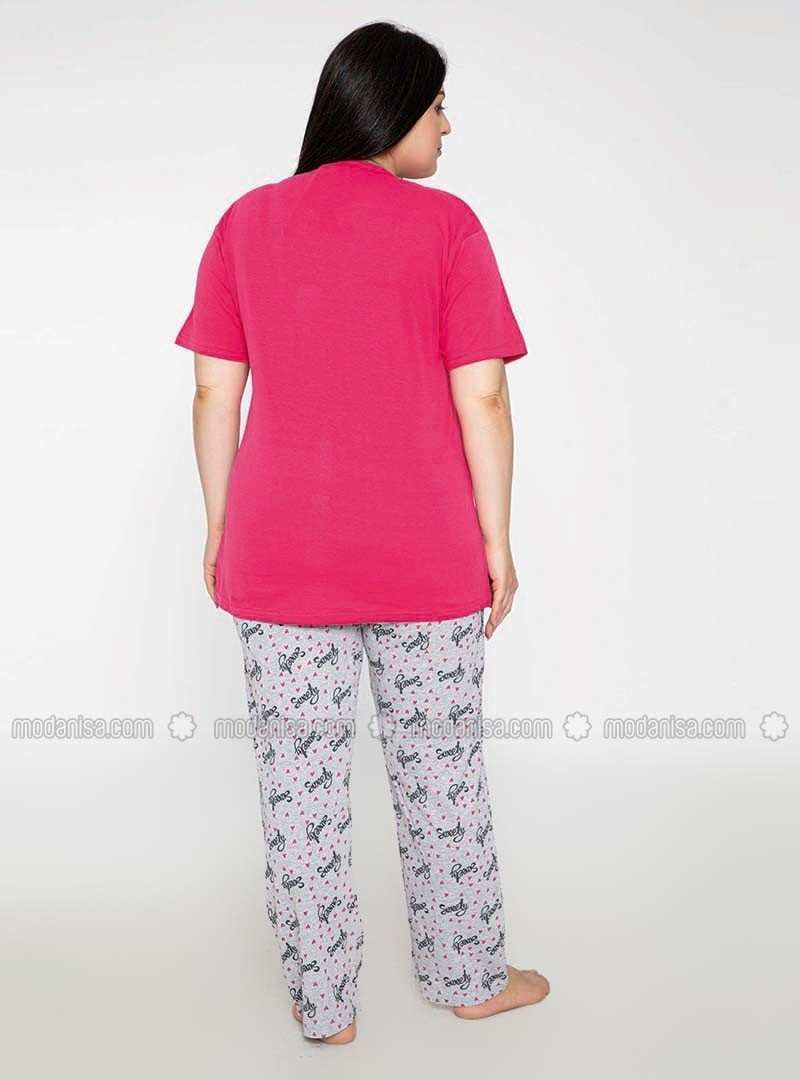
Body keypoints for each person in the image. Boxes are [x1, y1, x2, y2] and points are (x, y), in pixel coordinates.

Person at [174, 20, 550, 1045]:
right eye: (438, 107)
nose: (447, 128)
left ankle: (325, 1008)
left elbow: (213, 392)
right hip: (426, 556)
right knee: (440, 774)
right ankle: (469, 976)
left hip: (278, 554)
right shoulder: (447, 227)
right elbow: (483, 398)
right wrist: (498, 541)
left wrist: (221, 526)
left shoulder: (246, 222)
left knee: (297, 789)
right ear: (392, 108)